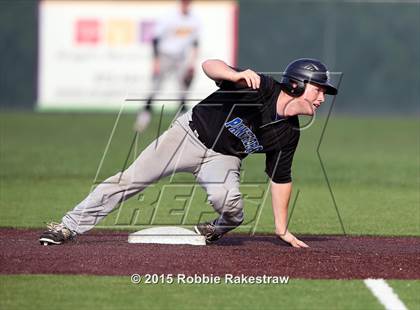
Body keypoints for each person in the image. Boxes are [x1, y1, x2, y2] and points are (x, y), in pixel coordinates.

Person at [39, 58, 338, 248]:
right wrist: (234, 75)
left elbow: (280, 178)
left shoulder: (289, 133)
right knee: (130, 180)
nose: (322, 97)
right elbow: (210, 66)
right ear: (297, 85)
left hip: (224, 157)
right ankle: (67, 226)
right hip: (188, 135)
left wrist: (281, 228)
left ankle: (213, 229)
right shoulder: (259, 87)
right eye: (318, 89)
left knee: (233, 210)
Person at [134, 0, 200, 132]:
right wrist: (156, 61)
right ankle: (144, 117)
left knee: (183, 90)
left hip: (181, 58)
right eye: (184, 2)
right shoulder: (169, 16)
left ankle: (184, 123)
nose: (186, 4)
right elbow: (156, 39)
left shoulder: (194, 19)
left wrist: (192, 63)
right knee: (155, 88)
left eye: (188, 2)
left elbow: (195, 42)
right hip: (165, 55)